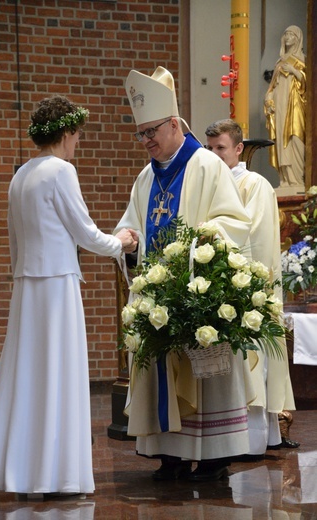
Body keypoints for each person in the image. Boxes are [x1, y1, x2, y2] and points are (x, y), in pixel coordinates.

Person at [0, 95, 138, 495]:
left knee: (29, 374)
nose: (77, 143)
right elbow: (84, 232)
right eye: (77, 136)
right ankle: (56, 473)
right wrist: (121, 243)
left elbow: (14, 240)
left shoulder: (20, 175)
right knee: (58, 372)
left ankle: (24, 468)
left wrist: (23, 273)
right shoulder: (60, 171)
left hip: (28, 285)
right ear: (65, 133)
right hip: (57, 285)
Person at [114, 66, 256, 482]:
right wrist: (130, 240)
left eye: (152, 132)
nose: (147, 142)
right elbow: (135, 224)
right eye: (140, 134)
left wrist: (197, 246)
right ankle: (170, 455)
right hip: (159, 297)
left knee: (205, 371)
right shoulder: (145, 177)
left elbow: (234, 222)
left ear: (174, 124)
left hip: (196, 293)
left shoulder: (207, 166)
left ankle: (213, 455)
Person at [205, 118, 297, 457]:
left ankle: (252, 440)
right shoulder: (208, 183)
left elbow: (254, 236)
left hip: (247, 290)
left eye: (221, 148)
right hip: (215, 287)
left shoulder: (254, 184)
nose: (214, 155)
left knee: (251, 361)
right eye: (209, 148)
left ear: (239, 148)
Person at [264, 25, 306, 188]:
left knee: (296, 138)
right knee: (281, 141)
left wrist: (295, 71)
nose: (287, 37)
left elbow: (309, 86)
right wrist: (268, 99)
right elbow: (272, 87)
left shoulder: (302, 60)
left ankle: (297, 180)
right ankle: (285, 180)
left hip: (295, 106)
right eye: (286, 34)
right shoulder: (279, 62)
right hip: (280, 107)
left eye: (291, 34)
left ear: (298, 39)